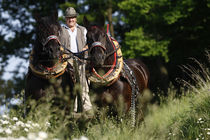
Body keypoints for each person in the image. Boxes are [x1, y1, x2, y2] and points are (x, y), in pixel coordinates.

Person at [59, 7, 92, 114]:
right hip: (66, 60)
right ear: (66, 19)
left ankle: (84, 107)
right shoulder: (60, 30)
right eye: (69, 18)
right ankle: (78, 107)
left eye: (72, 17)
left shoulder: (83, 30)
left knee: (82, 81)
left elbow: (90, 43)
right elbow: (57, 45)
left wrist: (85, 48)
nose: (71, 20)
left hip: (81, 59)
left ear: (76, 18)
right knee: (70, 83)